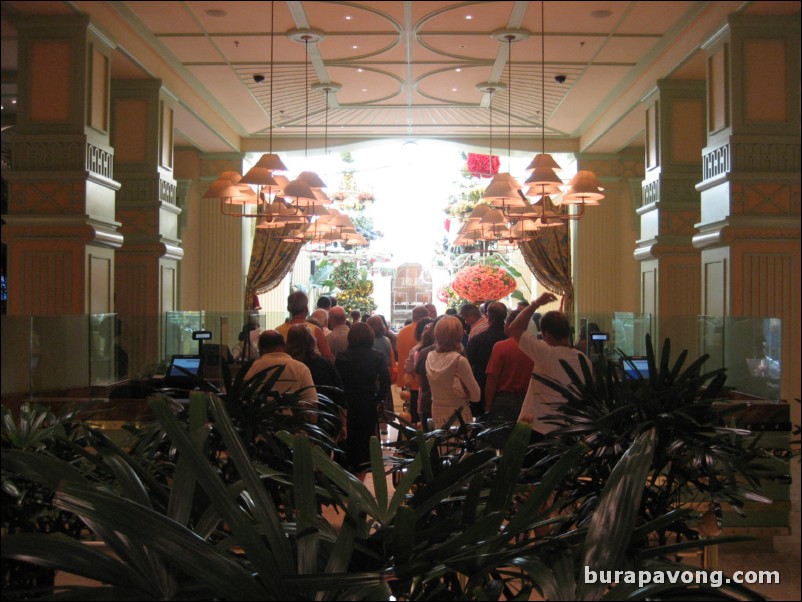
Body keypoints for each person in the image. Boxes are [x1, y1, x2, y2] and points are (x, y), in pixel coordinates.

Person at [507, 293, 589, 437]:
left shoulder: (546, 353)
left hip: (538, 427)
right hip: (569, 428)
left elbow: (514, 328)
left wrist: (536, 304)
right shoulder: (583, 359)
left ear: (547, 334)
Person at [335, 322, 390, 479]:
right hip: (367, 402)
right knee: (365, 442)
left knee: (349, 440)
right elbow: (386, 382)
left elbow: (338, 382)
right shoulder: (377, 356)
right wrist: (378, 398)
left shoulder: (341, 357)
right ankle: (361, 477)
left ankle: (349, 473)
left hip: (347, 402)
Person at [482, 310, 535, 448]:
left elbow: (492, 378)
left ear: (512, 325)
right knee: (524, 445)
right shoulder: (536, 347)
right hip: (529, 401)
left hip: (504, 402)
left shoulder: (501, 347)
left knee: (500, 444)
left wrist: (488, 405)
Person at [425, 316, 481, 427]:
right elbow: (476, 396)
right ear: (458, 334)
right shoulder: (459, 361)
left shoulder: (429, 357)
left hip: (437, 413)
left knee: (441, 443)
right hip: (459, 416)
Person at [244, 330, 317, 408]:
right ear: (284, 346)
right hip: (294, 419)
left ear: (261, 349)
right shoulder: (301, 368)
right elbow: (311, 403)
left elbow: (245, 399)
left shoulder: (253, 367)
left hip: (261, 419)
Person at [465, 301, 508, 417]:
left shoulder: (478, 340)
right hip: (506, 389)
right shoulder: (511, 339)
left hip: (481, 387)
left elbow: (468, 363)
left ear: (487, 316)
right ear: (505, 316)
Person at [276, 291, 334, 362]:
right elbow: (328, 357)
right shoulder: (315, 330)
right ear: (306, 308)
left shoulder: (278, 331)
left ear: (289, 308)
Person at [395, 305, 429, 423]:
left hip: (406, 377)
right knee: (420, 414)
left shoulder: (402, 331)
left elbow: (398, 351)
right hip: (421, 379)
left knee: (408, 411)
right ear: (426, 316)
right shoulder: (426, 331)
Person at [366, 315, 395, 433]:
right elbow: (391, 360)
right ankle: (384, 427)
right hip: (385, 374)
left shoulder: (369, 341)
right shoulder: (387, 340)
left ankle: (375, 429)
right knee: (384, 402)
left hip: (372, 375)